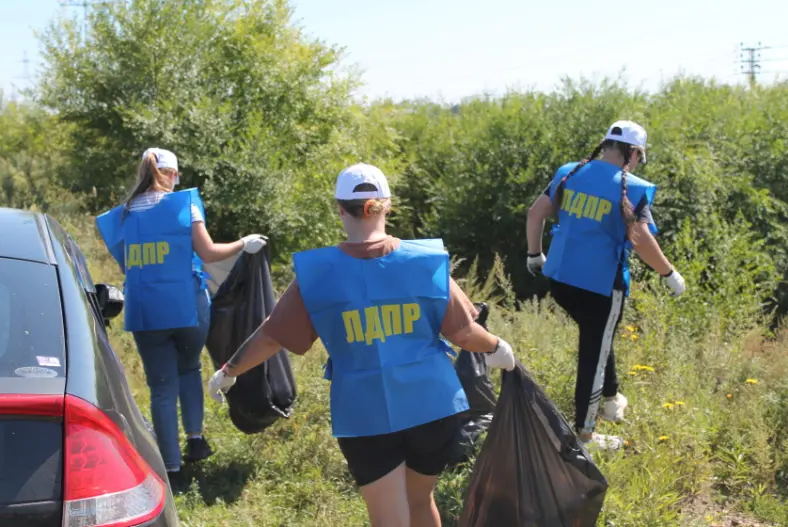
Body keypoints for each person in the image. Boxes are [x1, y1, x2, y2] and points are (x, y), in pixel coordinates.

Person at [207, 163, 516, 527]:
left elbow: (273, 335)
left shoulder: (318, 272)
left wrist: (230, 371)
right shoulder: (425, 260)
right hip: (433, 405)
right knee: (419, 502)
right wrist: (498, 348)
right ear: (386, 205)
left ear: (340, 209)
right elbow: (464, 332)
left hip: (363, 411)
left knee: (389, 519)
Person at [96, 147, 266, 483]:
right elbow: (208, 252)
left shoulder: (123, 215)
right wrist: (243, 242)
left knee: (160, 386)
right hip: (187, 304)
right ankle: (195, 440)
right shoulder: (184, 204)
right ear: (171, 174)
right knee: (188, 369)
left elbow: (127, 264)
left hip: (145, 309)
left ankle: (170, 467)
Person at [525, 121, 686, 451]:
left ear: (606, 146)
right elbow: (641, 241)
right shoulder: (633, 189)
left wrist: (534, 254)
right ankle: (585, 436)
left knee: (598, 337)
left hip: (560, 279)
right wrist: (669, 274)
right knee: (593, 354)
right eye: (639, 155)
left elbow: (535, 214)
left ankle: (611, 399)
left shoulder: (569, 173)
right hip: (600, 286)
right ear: (633, 153)